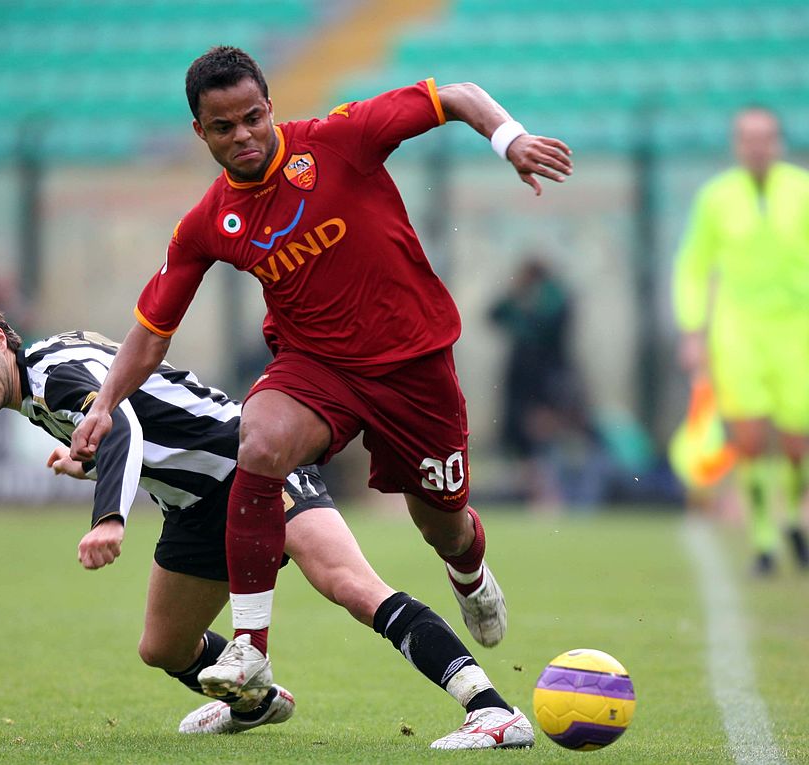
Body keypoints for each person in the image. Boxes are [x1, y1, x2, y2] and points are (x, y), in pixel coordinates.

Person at [71, 46, 571, 746]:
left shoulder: (339, 140)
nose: (242, 136)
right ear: (200, 132)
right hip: (317, 368)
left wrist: (510, 139)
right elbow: (150, 333)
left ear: (270, 106)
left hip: (413, 364)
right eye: (223, 127)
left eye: (252, 117)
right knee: (260, 439)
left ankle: (469, 571)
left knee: (444, 524)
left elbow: (454, 94)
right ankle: (249, 647)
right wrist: (102, 403)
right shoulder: (209, 221)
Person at [0, 287, 533, 749]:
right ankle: (255, 703)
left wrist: (109, 517)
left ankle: (491, 709)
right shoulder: (39, 382)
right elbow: (135, 427)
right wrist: (88, 461)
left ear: (0, 340)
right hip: (193, 508)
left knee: (350, 586)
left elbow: (122, 421)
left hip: (251, 468)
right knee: (164, 647)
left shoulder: (52, 373)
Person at [674, 106, 809, 575]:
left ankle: (793, 517)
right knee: (749, 440)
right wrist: (693, 329)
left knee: (796, 442)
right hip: (739, 331)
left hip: (797, 329)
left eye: (765, 137)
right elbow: (693, 265)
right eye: (748, 138)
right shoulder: (717, 198)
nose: (757, 146)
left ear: (779, 142)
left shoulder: (802, 191)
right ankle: (764, 539)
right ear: (737, 144)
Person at [488, 258, 599, 510]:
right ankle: (542, 493)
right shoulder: (522, 299)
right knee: (525, 437)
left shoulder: (552, 297)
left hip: (546, 379)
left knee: (545, 433)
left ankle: (553, 494)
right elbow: (494, 314)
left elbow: (545, 326)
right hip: (523, 381)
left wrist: (523, 308)